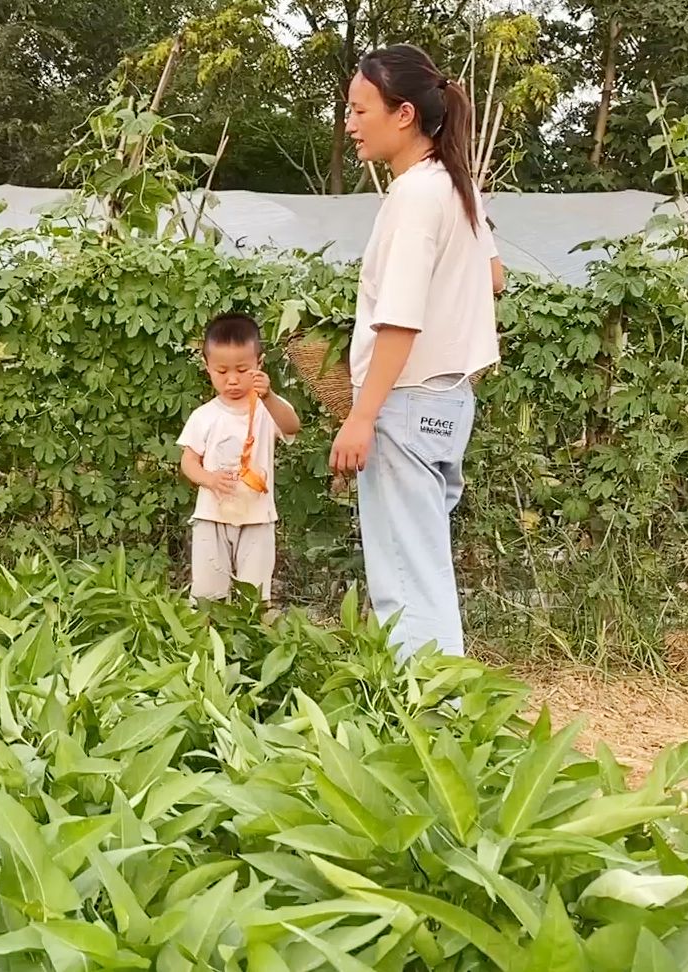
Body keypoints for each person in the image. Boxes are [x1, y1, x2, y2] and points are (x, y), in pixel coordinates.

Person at [328, 44, 506, 662]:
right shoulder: (456, 185)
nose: (349, 123)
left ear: (403, 114)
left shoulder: (412, 197)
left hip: (404, 404)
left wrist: (361, 414)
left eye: (358, 109)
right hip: (449, 401)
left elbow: (398, 322)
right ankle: (443, 714)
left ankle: (433, 724)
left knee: (405, 579)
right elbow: (495, 277)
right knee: (423, 565)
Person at [178, 312, 302, 602]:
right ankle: (209, 643)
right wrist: (209, 479)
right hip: (212, 517)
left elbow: (292, 426)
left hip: (258, 518)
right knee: (208, 594)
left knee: (255, 595)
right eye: (221, 372)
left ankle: (253, 640)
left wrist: (269, 396)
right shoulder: (204, 416)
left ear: (259, 365)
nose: (232, 380)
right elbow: (188, 461)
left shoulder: (266, 408)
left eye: (242, 369)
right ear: (207, 366)